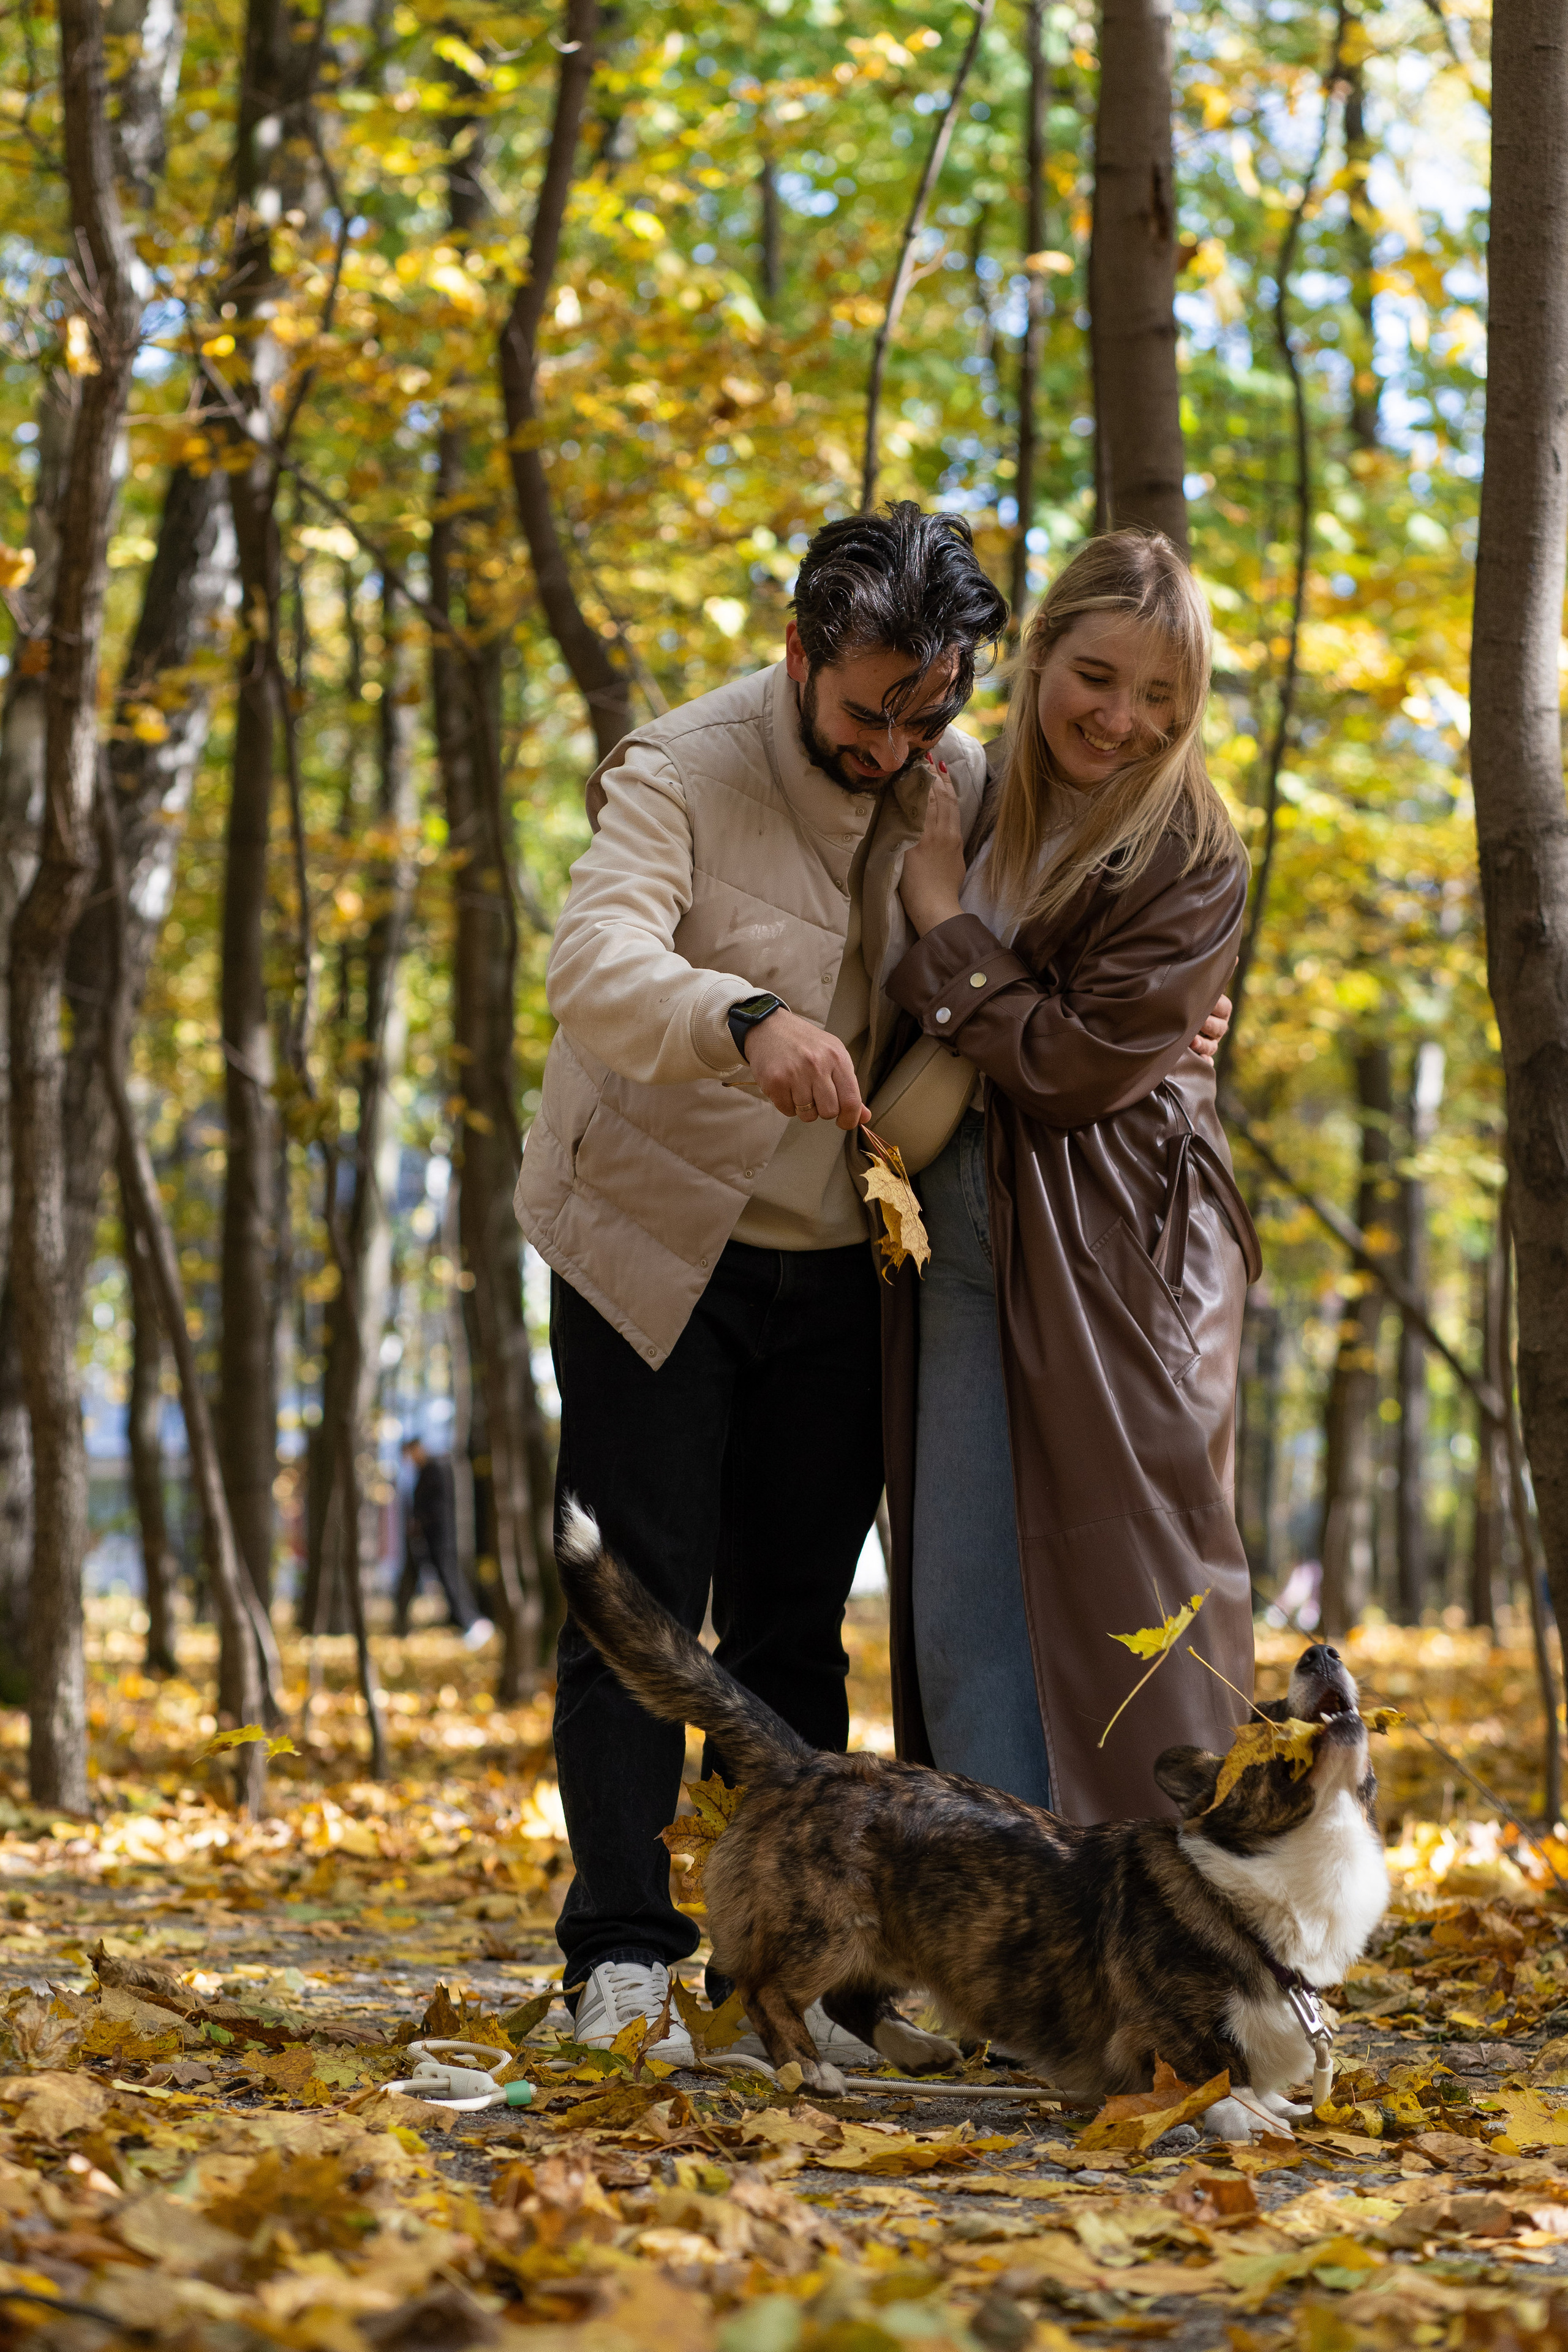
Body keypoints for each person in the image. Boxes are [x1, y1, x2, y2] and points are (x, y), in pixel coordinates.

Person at [514, 506, 1227, 2065]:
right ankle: (619, 1951)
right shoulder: (683, 767)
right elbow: (591, 958)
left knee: (788, 1630)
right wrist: (742, 1012)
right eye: (865, 710)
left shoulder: (955, 779)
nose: (897, 742)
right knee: (636, 1604)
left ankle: (796, 1977)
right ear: (797, 654)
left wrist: (1155, 1051)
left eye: (930, 706)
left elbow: (1023, 960)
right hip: (656, 1242)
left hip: (845, 1265)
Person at [881, 528, 1262, 1825]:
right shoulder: (976, 797)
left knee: (1134, 1612)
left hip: (1118, 1259)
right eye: (1096, 676)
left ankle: (1171, 1951)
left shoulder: (1192, 850)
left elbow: (1070, 1062)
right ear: (1039, 651)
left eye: (1161, 695)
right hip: (961, 1232)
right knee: (959, 1612)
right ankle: (1009, 1954)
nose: (1123, 719)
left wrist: (942, 923)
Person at [394, 1437, 492, 1650]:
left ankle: (472, 1622)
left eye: (411, 1453)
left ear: (418, 1449)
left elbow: (438, 1507)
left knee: (450, 1580)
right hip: (424, 1539)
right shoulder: (424, 1471)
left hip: (440, 1539)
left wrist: (421, 1521)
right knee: (412, 1578)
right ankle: (400, 1626)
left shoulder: (436, 1469)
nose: (410, 1459)